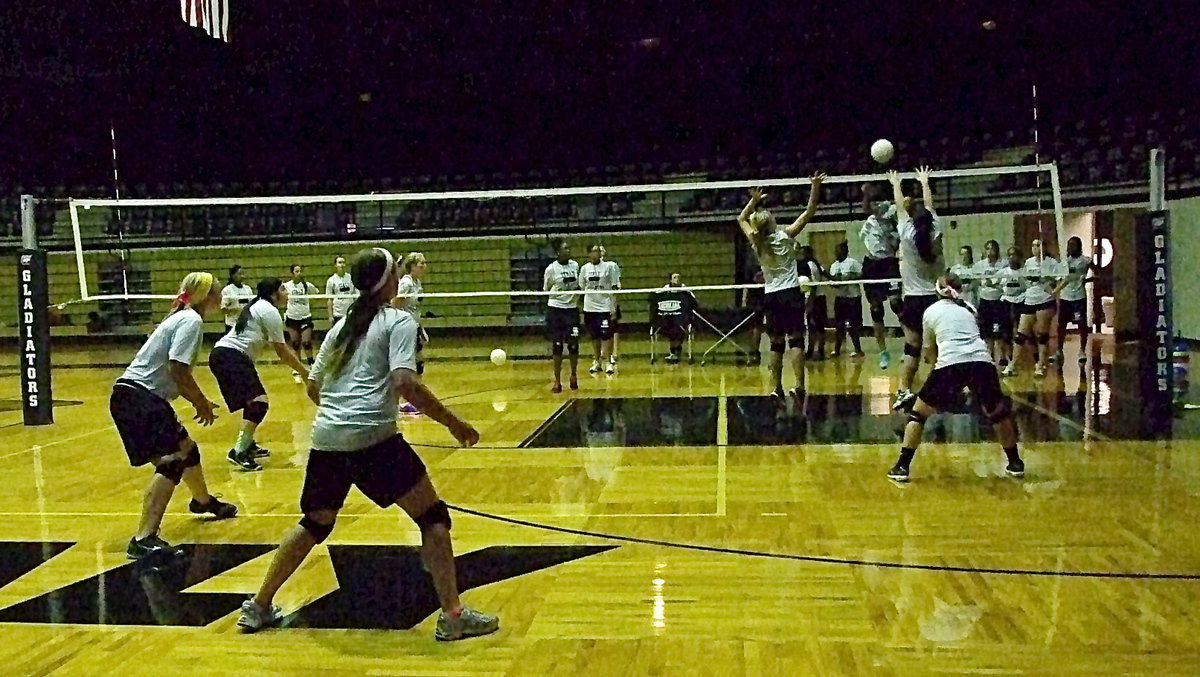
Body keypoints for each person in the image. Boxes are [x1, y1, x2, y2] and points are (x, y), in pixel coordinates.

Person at [237, 248, 497, 641]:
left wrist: (340, 414)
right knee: (433, 518)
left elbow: (312, 385)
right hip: (375, 440)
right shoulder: (398, 321)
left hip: (327, 439)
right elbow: (406, 382)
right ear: (390, 281)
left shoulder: (341, 326)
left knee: (314, 522)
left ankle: (258, 607)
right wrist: (455, 425)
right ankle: (454, 615)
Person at [109, 272, 237, 560]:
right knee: (171, 463)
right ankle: (143, 538)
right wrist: (200, 402)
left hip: (141, 397)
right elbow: (178, 369)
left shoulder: (181, 316)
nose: (223, 298)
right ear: (208, 296)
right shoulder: (190, 320)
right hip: (138, 399)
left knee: (187, 449)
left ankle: (202, 501)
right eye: (219, 293)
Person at [886, 272, 1025, 482]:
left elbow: (928, 349)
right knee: (998, 413)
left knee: (918, 415)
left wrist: (936, 375)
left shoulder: (930, 312)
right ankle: (1015, 463)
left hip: (951, 363)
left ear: (937, 290)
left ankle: (902, 467)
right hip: (982, 362)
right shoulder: (969, 309)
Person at [736, 173, 826, 399]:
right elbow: (809, 212)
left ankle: (775, 388)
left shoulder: (757, 243)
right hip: (791, 294)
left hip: (772, 296)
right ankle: (799, 386)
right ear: (772, 222)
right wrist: (815, 187)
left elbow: (740, 219)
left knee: (775, 344)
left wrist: (753, 202)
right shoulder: (785, 236)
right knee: (795, 340)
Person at [210, 278, 311, 472]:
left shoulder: (258, 305)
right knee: (259, 403)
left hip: (227, 355)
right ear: (274, 293)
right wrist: (304, 372)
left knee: (253, 402)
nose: (286, 292)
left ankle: (248, 444)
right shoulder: (269, 311)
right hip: (230, 356)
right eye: (283, 289)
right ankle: (239, 451)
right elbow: (281, 350)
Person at [887, 167, 945, 410]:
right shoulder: (935, 230)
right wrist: (925, 182)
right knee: (934, 350)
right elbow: (929, 206)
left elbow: (901, 207)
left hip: (913, 299)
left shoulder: (906, 232)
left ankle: (903, 391)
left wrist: (895, 183)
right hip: (934, 300)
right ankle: (937, 393)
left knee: (912, 348)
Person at [859, 183, 901, 369]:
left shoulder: (891, 210)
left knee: (896, 303)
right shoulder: (871, 218)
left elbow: (874, 208)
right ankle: (883, 352)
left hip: (889, 264)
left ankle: (909, 344)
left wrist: (892, 236)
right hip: (871, 265)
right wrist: (866, 193)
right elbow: (867, 208)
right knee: (876, 310)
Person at [1016, 238, 1061, 377]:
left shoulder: (1051, 263)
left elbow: (1060, 279)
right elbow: (1023, 277)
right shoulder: (1028, 262)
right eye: (1033, 245)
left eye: (1038, 245)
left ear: (1044, 247)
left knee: (1042, 335)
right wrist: (1029, 283)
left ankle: (1041, 365)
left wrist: (1051, 288)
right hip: (1030, 299)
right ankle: (1013, 365)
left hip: (1045, 300)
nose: (1035, 248)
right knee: (1021, 334)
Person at [393, 252, 430, 414]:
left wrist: (420, 328)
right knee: (410, 365)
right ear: (412, 266)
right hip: (404, 328)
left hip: (414, 325)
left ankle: (414, 399)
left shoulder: (417, 283)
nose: (423, 266)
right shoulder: (406, 283)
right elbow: (395, 304)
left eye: (424, 263)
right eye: (420, 263)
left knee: (418, 363)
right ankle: (407, 400)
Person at [544, 240, 581, 393]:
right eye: (565, 248)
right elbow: (546, 289)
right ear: (558, 252)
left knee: (573, 345)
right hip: (556, 310)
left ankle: (573, 376)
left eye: (569, 247)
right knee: (557, 346)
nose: (568, 250)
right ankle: (557, 381)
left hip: (571, 310)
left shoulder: (575, 266)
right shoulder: (551, 269)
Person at [1053, 236, 1094, 371]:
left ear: (1079, 246)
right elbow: (1059, 279)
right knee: (1062, 324)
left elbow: (1097, 274)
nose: (1071, 247)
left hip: (1079, 296)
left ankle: (1082, 350)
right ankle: (1059, 350)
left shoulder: (1086, 261)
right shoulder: (1064, 263)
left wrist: (1086, 280)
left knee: (1081, 324)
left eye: (1074, 245)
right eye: (1069, 245)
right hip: (1066, 297)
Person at [580, 244, 621, 375]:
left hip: (605, 306)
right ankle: (597, 360)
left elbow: (615, 287)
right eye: (593, 251)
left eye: (598, 251)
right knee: (594, 336)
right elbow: (582, 286)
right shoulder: (585, 269)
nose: (596, 253)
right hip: (590, 307)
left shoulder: (609, 266)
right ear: (589, 254)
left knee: (606, 335)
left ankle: (608, 361)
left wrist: (614, 307)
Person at [973, 240, 1009, 366]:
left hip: (998, 300)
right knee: (986, 331)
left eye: (992, 248)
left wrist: (995, 283)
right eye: (987, 248)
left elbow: (1005, 280)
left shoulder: (1004, 264)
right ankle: (989, 355)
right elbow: (976, 281)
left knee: (1000, 331)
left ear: (997, 250)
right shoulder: (979, 265)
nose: (990, 251)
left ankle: (1002, 356)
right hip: (985, 300)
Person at [827, 241, 864, 357]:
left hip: (853, 298)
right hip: (840, 298)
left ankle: (858, 349)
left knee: (854, 325)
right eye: (835, 251)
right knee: (839, 325)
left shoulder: (852, 263)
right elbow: (833, 282)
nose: (836, 253)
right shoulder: (834, 266)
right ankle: (836, 350)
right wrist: (836, 282)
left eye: (838, 250)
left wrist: (851, 277)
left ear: (845, 251)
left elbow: (862, 274)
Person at [283, 264, 320, 377]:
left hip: (305, 317)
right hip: (292, 317)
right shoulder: (286, 285)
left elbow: (317, 294)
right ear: (292, 273)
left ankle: (311, 363)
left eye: (300, 271)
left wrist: (307, 306)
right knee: (295, 343)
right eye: (297, 271)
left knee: (306, 342)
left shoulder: (307, 285)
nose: (299, 273)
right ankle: (297, 366)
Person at [998, 246, 1030, 376]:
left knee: (1022, 332)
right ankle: (1009, 358)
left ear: (1020, 257)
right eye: (1009, 255)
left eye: (1015, 255)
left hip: (1021, 301)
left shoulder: (1025, 271)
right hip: (1006, 301)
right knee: (1006, 332)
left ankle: (1029, 359)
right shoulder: (1003, 272)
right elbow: (994, 283)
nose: (1012, 258)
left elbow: (1030, 285)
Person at [796, 245, 829, 360]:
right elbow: (826, 274)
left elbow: (813, 286)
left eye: (802, 253)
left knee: (817, 326)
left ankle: (818, 351)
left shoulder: (810, 264)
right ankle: (812, 350)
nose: (801, 255)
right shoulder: (814, 264)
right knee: (813, 326)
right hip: (814, 298)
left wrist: (810, 302)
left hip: (816, 299)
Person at [659, 272, 696, 363]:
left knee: (681, 328)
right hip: (669, 317)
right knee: (670, 327)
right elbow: (656, 296)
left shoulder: (685, 289)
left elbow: (693, 300)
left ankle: (678, 348)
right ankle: (673, 350)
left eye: (679, 277)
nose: (677, 279)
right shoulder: (666, 289)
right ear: (670, 280)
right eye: (675, 277)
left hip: (682, 318)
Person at [599, 245, 623, 369]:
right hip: (597, 305)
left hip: (610, 302)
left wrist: (615, 303)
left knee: (613, 328)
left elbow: (616, 286)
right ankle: (602, 354)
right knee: (600, 330)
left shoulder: (612, 266)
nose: (601, 253)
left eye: (602, 251)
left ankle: (614, 353)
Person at [220, 265, 255, 331]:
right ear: (233, 276)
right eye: (239, 274)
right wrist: (235, 309)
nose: (242, 276)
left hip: (245, 323)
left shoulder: (248, 289)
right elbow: (223, 309)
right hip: (232, 324)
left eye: (243, 274)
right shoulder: (227, 290)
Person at [325, 255, 356, 326]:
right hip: (338, 314)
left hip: (350, 313)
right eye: (339, 263)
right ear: (335, 265)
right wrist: (330, 316)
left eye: (343, 262)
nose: (342, 265)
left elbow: (356, 295)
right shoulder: (331, 280)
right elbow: (329, 299)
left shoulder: (351, 278)